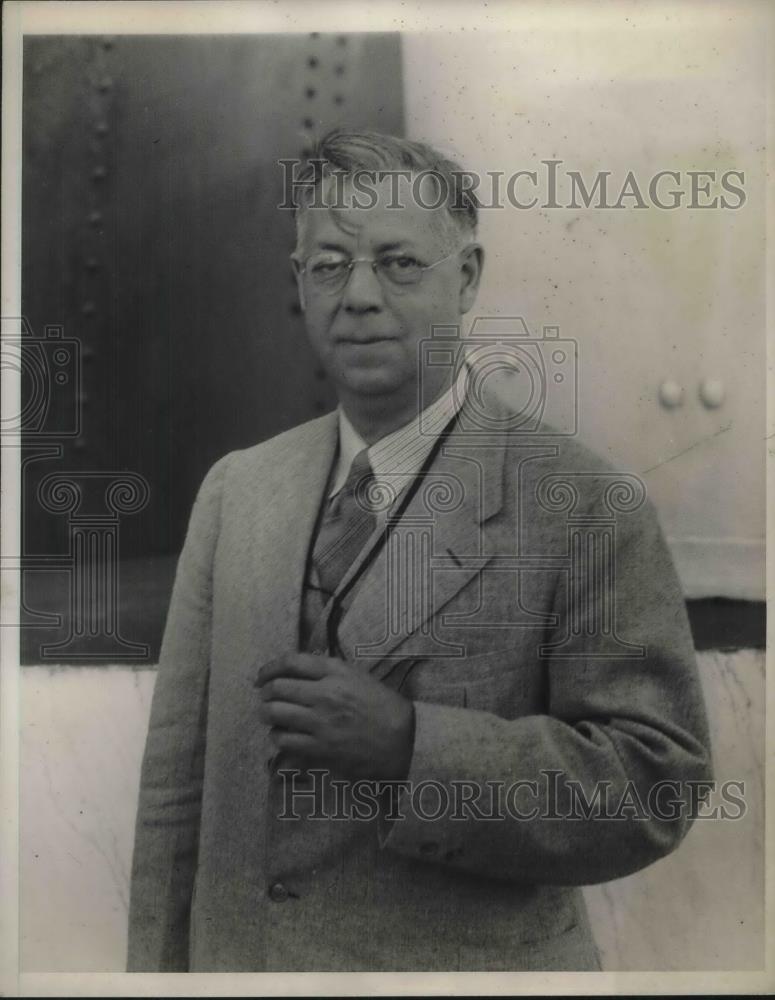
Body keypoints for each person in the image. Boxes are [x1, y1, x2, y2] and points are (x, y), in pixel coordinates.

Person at [127, 128, 713, 972]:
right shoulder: (237, 489)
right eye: (328, 265)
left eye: (398, 263)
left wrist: (411, 746)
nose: (357, 295)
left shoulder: (585, 503)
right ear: (299, 283)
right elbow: (174, 795)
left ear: (466, 277)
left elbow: (656, 782)